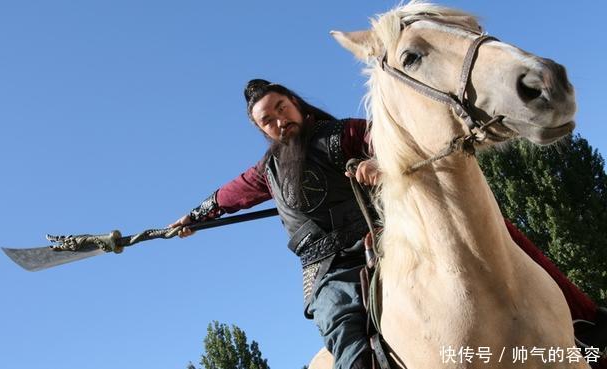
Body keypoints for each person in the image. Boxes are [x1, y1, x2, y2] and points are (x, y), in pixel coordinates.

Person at [170, 79, 606, 369]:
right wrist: (191, 219)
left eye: (281, 108)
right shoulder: (264, 172)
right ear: (262, 129)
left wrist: (379, 165)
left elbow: (400, 149)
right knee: (340, 324)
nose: (279, 120)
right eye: (268, 119)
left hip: (388, 236)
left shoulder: (347, 131)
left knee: (498, 237)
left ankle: (588, 325)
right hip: (327, 267)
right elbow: (226, 198)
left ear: (296, 104)